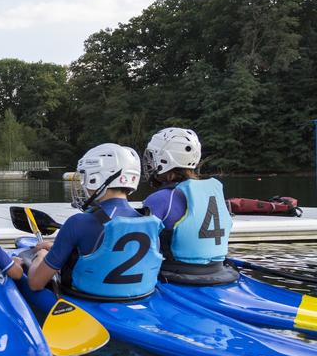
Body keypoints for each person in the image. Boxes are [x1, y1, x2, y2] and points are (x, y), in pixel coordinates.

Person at [25, 143, 164, 299]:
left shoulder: (78, 222)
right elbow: (116, 253)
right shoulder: (150, 224)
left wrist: (41, 256)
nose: (83, 184)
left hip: (85, 299)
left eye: (85, 177)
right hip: (139, 297)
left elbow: (35, 283)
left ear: (96, 179)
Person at [143, 128, 236, 284]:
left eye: (153, 157)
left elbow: (142, 246)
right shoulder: (214, 192)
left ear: (164, 160)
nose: (150, 163)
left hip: (176, 274)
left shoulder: (159, 199)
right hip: (218, 270)